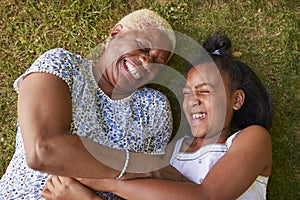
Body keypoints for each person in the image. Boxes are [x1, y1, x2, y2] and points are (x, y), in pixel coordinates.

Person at [41, 32, 273, 200]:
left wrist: (103, 181)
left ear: (236, 100)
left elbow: (206, 196)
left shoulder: (252, 139)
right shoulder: (173, 151)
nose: (193, 101)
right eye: (186, 93)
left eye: (204, 91)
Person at [0, 9, 180, 200]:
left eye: (157, 63)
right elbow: (43, 150)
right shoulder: (63, 65)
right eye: (143, 47)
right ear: (115, 33)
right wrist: (139, 169)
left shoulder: (154, 109)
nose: (146, 61)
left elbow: (151, 190)